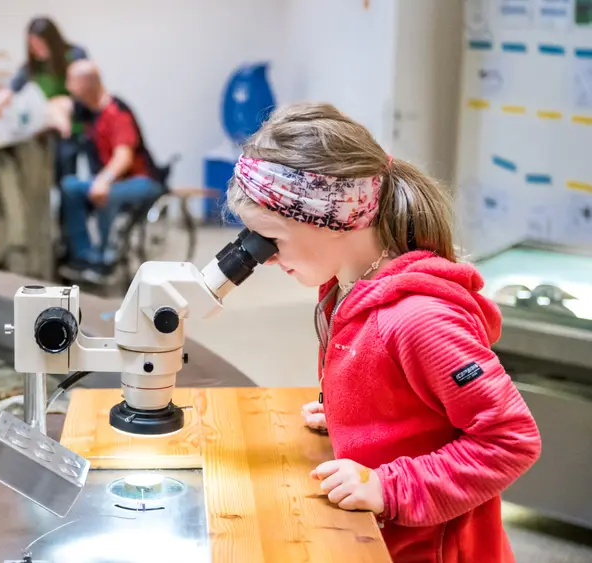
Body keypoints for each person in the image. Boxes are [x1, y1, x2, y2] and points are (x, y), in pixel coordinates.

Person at [224, 102, 541, 563]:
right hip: (376, 540)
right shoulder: (343, 287)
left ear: (329, 218)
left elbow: (510, 439)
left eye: (271, 238)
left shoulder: (417, 318)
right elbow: (411, 406)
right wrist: (357, 418)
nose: (265, 258)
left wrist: (390, 486)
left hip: (433, 549)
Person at [53, 60, 165, 280]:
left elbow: (123, 157)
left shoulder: (116, 112)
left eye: (72, 82)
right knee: (69, 187)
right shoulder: (86, 109)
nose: (68, 88)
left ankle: (106, 256)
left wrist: (103, 180)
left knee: (106, 193)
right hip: (109, 179)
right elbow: (56, 104)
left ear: (86, 85)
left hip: (140, 181)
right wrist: (62, 121)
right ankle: (83, 254)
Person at [0, 17, 89, 182]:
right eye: (33, 47)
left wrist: (62, 106)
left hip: (77, 125)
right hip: (52, 130)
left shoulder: (75, 55)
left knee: (69, 181)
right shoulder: (33, 66)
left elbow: (84, 91)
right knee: (51, 177)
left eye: (40, 45)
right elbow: (8, 91)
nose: (37, 51)